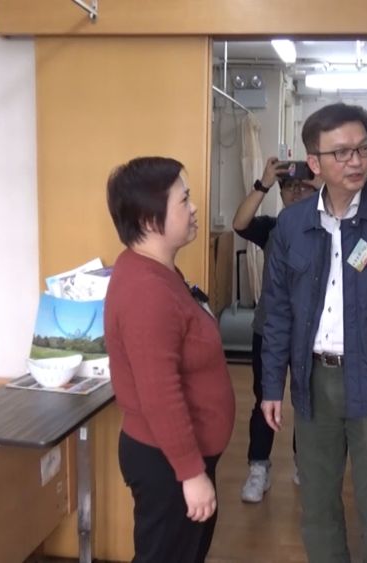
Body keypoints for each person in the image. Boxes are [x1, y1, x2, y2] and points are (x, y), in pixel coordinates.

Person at [259, 103, 367, 562]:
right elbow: (277, 312)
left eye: (362, 149)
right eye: (341, 153)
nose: (356, 161)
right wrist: (272, 383)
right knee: (317, 502)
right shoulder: (292, 225)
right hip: (314, 380)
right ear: (314, 162)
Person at [104, 156, 236, 563]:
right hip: (167, 462)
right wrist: (191, 474)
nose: (194, 208)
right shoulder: (147, 290)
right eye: (185, 200)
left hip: (178, 456)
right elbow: (159, 395)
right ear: (149, 219)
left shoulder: (159, 273)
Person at [232, 156, 320, 503]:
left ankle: (303, 461)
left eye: (304, 185)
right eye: (289, 187)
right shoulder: (272, 227)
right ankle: (259, 467)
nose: (296, 192)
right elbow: (240, 224)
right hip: (269, 331)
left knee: (307, 400)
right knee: (263, 399)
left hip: (310, 333)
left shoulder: (327, 226)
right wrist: (263, 183)